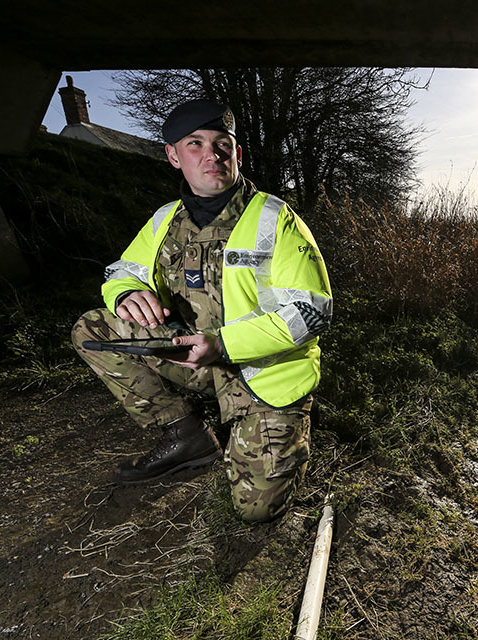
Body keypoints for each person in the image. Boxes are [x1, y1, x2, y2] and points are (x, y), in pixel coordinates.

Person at [71, 99, 332, 523]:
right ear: (173, 156)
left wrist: (223, 344)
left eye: (222, 143)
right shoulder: (163, 219)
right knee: (92, 330)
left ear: (237, 153)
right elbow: (122, 270)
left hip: (259, 372)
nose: (212, 154)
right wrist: (124, 293)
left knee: (257, 508)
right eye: (195, 144)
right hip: (190, 358)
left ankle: (281, 426)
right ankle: (185, 435)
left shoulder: (275, 219)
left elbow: (312, 312)